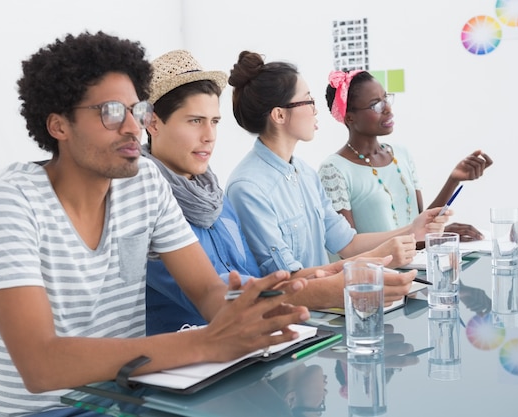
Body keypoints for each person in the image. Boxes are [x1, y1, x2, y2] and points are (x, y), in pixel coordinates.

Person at [0, 32, 311, 417]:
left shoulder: (144, 182)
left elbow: (206, 289)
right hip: (43, 411)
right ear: (59, 125)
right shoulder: (10, 201)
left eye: (137, 110)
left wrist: (245, 311)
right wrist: (207, 343)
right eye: (111, 112)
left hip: (131, 399)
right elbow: (41, 365)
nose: (133, 127)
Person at [142, 50, 421, 335]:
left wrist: (356, 269)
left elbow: (258, 282)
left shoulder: (218, 199)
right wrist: (335, 284)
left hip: (248, 345)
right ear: (152, 123)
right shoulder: (146, 204)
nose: (210, 135)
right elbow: (219, 297)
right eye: (195, 121)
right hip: (189, 363)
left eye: (214, 121)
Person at [224, 51, 451, 277]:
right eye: (308, 100)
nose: (315, 110)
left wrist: (412, 230)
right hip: (299, 309)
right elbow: (287, 278)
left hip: (327, 308)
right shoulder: (248, 188)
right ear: (279, 115)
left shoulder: (304, 173)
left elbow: (348, 243)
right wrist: (380, 258)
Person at [318, 70, 493, 241]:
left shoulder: (401, 154)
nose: (387, 108)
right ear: (349, 118)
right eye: (376, 104)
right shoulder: (334, 169)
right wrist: (438, 236)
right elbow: (347, 247)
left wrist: (453, 180)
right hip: (378, 270)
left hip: (416, 267)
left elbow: (419, 225)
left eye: (385, 98)